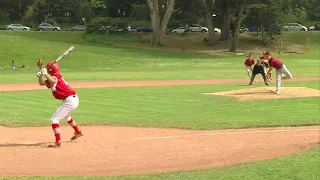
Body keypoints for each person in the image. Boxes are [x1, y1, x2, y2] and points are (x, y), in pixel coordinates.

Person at [37, 61, 84, 148]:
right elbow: (41, 83)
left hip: (70, 100)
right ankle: (78, 131)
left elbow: (53, 81)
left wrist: (45, 73)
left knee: (54, 119)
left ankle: (58, 142)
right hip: (72, 99)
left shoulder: (56, 76)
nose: (46, 69)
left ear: (50, 70)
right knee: (66, 116)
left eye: (48, 68)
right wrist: (41, 75)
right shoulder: (52, 77)